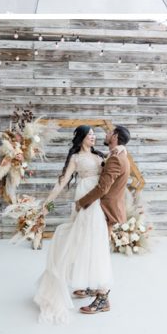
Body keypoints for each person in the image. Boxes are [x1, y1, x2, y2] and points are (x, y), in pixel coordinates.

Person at [33, 125, 112, 323]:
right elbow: (62, 182)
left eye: (95, 135)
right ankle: (93, 284)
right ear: (82, 138)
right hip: (85, 198)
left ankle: (98, 286)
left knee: (94, 239)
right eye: (90, 135)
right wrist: (47, 204)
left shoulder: (100, 155)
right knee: (81, 238)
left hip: (97, 199)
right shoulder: (76, 158)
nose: (93, 137)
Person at [75, 125, 132, 315]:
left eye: (109, 132)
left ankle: (102, 299)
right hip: (106, 209)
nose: (104, 135)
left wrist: (81, 202)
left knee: (100, 254)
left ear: (115, 136)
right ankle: (94, 286)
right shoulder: (118, 154)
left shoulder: (116, 158)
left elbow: (102, 188)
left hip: (106, 211)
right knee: (95, 249)